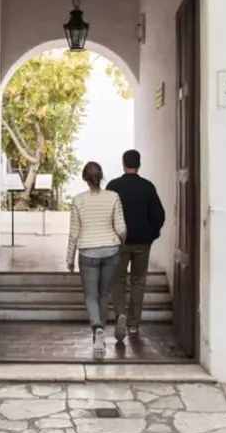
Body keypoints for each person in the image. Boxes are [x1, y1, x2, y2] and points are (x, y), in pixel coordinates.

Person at [66, 161, 127, 358]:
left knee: (90, 295)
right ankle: (101, 333)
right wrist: (121, 243)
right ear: (101, 177)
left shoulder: (78, 200)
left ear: (85, 179)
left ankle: (97, 329)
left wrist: (69, 258)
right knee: (103, 294)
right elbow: (121, 228)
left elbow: (74, 233)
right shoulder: (113, 197)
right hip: (111, 251)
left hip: (88, 253)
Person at [106, 149, 165, 343]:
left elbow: (107, 214)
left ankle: (120, 314)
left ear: (123, 164)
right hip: (142, 243)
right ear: (139, 165)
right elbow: (159, 215)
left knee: (117, 280)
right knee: (138, 282)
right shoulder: (148, 187)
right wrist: (152, 234)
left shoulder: (113, 186)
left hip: (119, 242)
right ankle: (133, 323)